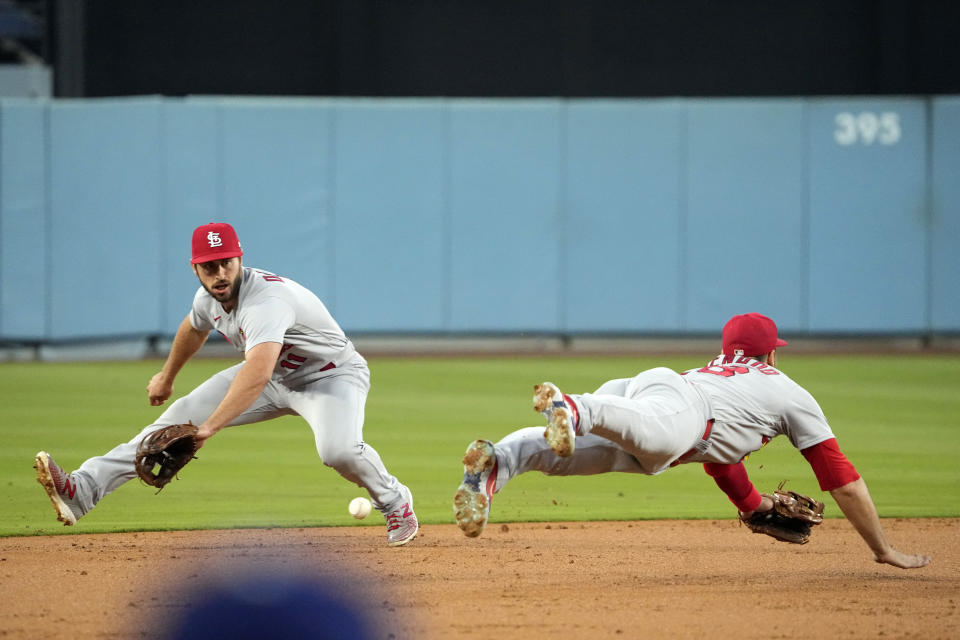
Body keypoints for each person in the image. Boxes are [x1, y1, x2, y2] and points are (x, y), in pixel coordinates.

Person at [35, 222, 418, 546]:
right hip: (275, 376)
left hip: (330, 376)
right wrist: (166, 378)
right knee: (169, 425)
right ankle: (82, 490)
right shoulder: (207, 298)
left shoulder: (265, 301)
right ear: (195, 269)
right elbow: (193, 328)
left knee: (338, 451)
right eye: (209, 267)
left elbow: (257, 373)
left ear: (240, 259)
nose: (220, 274)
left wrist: (209, 428)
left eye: (226, 263)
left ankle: (394, 500)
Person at [453, 312, 930, 569]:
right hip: (677, 413)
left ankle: (492, 467)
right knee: (651, 440)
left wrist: (753, 506)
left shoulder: (722, 372)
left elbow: (722, 463)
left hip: (657, 397)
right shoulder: (788, 392)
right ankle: (574, 407)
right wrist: (883, 549)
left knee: (565, 457)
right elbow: (841, 479)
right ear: (771, 353)